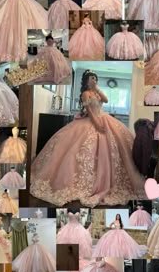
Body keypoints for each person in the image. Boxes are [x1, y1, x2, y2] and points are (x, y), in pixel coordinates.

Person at [30, 70, 145, 206]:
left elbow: (106, 100)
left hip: (103, 117)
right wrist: (97, 123)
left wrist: (97, 88)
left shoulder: (96, 92)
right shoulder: (85, 94)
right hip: (92, 120)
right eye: (92, 78)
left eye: (95, 78)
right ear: (86, 80)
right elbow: (89, 112)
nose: (94, 80)